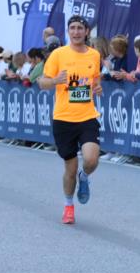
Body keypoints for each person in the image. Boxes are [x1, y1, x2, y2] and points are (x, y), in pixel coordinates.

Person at [38, 15, 103, 224]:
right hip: (63, 118)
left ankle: (85, 177)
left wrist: (98, 88)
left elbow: (95, 82)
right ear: (68, 32)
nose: (76, 32)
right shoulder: (58, 54)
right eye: (72, 28)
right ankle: (68, 205)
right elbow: (41, 82)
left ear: (86, 32)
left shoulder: (94, 55)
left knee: (92, 159)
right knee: (70, 169)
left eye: (79, 28)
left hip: (87, 116)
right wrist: (55, 80)